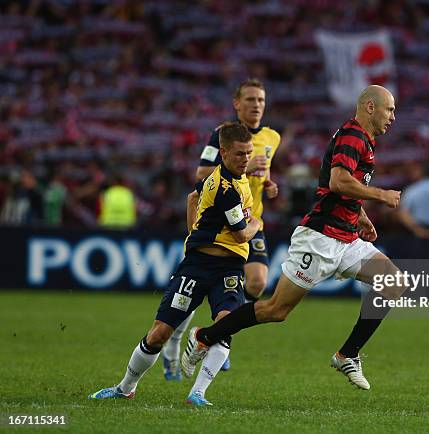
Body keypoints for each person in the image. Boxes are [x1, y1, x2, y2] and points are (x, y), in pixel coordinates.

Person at [181, 85, 403, 391]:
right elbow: (339, 181)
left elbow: (331, 182)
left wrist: (361, 215)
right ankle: (204, 336)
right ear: (369, 107)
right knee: (275, 310)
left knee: (393, 281)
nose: (392, 116)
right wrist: (381, 195)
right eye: (389, 109)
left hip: (347, 238)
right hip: (320, 239)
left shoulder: (362, 139)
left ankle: (347, 354)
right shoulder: (353, 136)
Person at [88, 122, 261, 406]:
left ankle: (198, 393)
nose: (246, 159)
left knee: (225, 325)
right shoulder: (225, 187)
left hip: (228, 268)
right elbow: (243, 232)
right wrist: (254, 223)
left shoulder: (235, 180)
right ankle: (125, 387)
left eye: (249, 153)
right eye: (240, 154)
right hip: (197, 266)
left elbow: (192, 200)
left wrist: (196, 225)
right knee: (159, 334)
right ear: (224, 152)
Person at [161, 78, 280, 379]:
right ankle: (176, 343)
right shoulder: (221, 135)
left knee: (257, 283)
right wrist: (249, 168)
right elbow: (201, 173)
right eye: (250, 99)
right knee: (197, 290)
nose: (256, 105)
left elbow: (258, 175)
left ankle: (217, 334)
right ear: (237, 104)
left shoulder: (272, 137)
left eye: (261, 100)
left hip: (251, 222)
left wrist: (268, 183)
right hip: (219, 225)